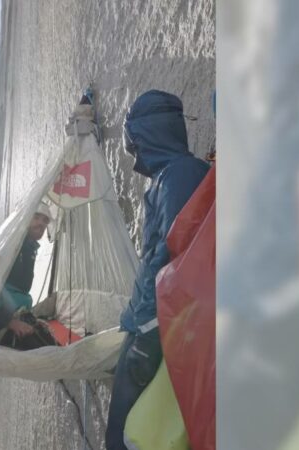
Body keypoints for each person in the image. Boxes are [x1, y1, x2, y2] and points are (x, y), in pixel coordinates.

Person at [106, 90, 210, 449]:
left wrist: (147, 330)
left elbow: (173, 258)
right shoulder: (171, 177)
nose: (134, 156)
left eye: (133, 145)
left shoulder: (180, 176)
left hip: (156, 326)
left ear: (147, 134)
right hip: (152, 321)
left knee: (128, 432)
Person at [0, 202, 56, 349]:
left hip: (17, 315)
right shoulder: (8, 245)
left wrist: (29, 318)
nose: (41, 223)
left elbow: (17, 293)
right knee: (39, 351)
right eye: (36, 217)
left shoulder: (29, 248)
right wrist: (10, 322)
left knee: (50, 343)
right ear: (26, 218)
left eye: (45, 220)